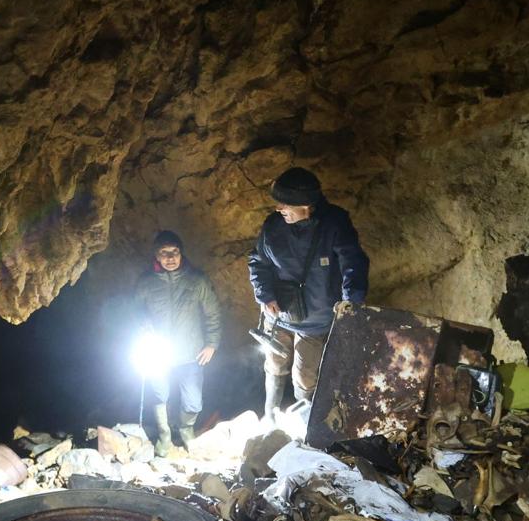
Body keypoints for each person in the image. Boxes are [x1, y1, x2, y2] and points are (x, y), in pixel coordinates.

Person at [248, 167, 370, 419]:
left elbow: (353, 264)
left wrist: (350, 304)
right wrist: (265, 295)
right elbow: (258, 261)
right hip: (278, 313)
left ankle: (304, 425)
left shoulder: (334, 224)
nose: (279, 209)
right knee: (273, 364)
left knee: (305, 376)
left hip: (315, 319)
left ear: (306, 205)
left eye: (285, 204)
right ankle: (269, 416)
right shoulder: (273, 226)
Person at [135, 230, 222, 456]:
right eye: (164, 253)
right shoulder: (146, 282)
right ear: (156, 255)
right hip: (158, 352)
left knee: (193, 402)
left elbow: (213, 313)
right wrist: (143, 325)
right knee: (159, 394)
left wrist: (212, 344)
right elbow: (134, 311)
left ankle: (186, 430)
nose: (170, 258)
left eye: (175, 252)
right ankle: (164, 435)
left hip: (191, 352)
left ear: (181, 254)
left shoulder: (197, 280)